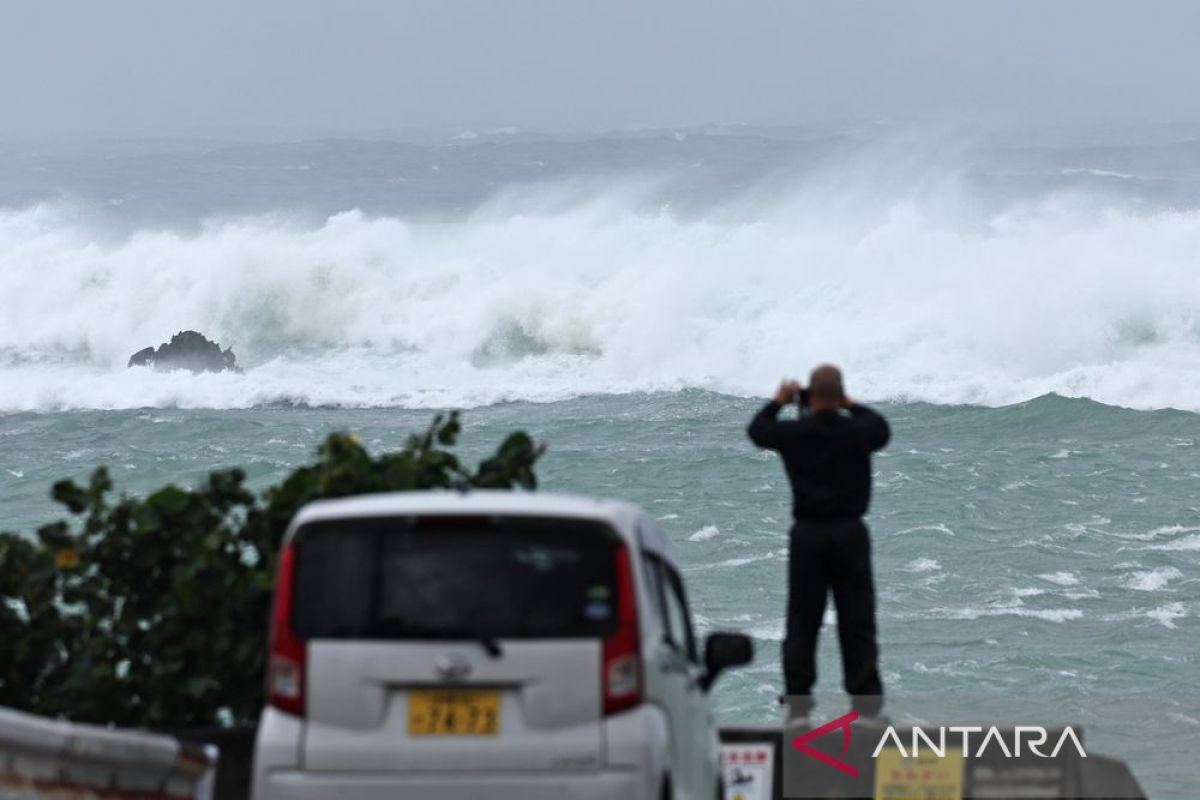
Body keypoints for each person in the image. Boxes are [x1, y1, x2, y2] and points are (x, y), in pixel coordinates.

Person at [747, 364, 890, 722]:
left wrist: (777, 402)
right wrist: (850, 404)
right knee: (856, 620)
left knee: (802, 619)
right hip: (850, 534)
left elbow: (757, 431)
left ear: (811, 396)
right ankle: (867, 706)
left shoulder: (794, 433)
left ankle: (798, 706)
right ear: (840, 395)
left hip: (807, 535)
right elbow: (881, 429)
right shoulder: (858, 431)